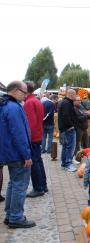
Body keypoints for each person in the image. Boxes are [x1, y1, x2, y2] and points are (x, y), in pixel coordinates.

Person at [0, 81, 36, 228]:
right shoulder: (14, 108)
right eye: (24, 91)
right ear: (15, 90)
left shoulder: (4, 105)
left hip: (9, 152)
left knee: (13, 184)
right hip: (17, 153)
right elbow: (19, 134)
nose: (26, 95)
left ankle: (10, 214)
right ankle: (16, 217)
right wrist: (26, 156)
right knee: (20, 185)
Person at [24, 81, 47, 197]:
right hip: (38, 135)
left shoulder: (29, 102)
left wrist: (27, 139)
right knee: (38, 161)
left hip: (33, 137)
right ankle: (43, 185)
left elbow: (30, 124)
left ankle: (38, 188)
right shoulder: (36, 101)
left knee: (34, 163)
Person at [58, 88, 78, 171]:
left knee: (65, 147)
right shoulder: (67, 103)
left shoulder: (66, 102)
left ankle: (64, 164)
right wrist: (71, 125)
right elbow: (66, 116)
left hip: (65, 129)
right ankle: (68, 164)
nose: (76, 96)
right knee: (70, 147)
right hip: (68, 129)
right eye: (75, 95)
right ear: (71, 95)